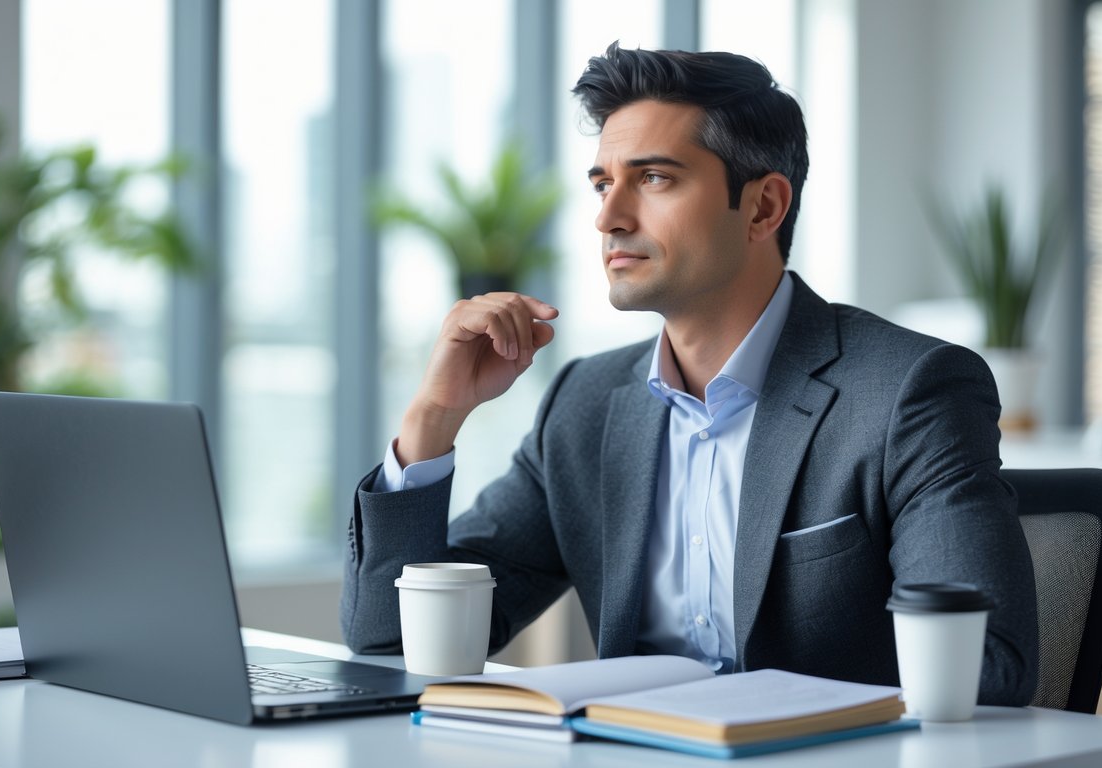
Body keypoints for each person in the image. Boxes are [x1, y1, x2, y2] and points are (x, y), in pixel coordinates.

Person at [340, 42, 1037, 705]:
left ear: (762, 207)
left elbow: (985, 666)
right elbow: (390, 639)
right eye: (602, 184)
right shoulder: (585, 402)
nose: (608, 218)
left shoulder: (906, 390)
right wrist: (433, 416)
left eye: (652, 178)